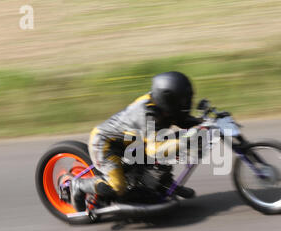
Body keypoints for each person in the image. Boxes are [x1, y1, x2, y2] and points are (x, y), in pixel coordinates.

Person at [68, 71, 203, 211]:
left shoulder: (163, 107)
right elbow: (155, 150)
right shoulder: (147, 113)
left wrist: (203, 122)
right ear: (168, 99)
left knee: (166, 148)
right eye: (183, 99)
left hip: (130, 142)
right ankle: (78, 185)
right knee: (118, 186)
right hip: (105, 143)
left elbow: (182, 120)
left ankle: (163, 183)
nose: (187, 102)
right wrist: (186, 140)